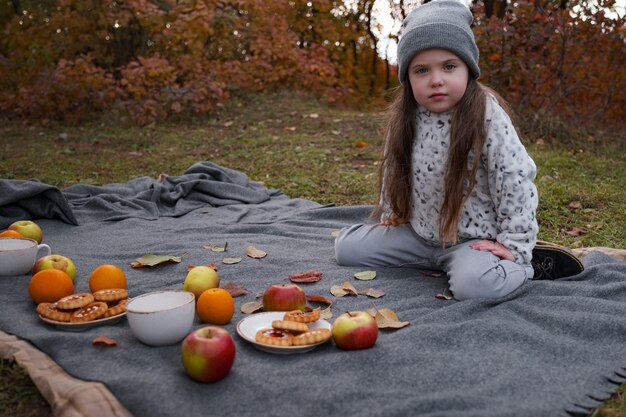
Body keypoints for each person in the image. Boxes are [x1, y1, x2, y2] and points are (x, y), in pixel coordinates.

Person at [334, 0, 583, 300]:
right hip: (420, 236)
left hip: (473, 240)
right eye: (421, 70)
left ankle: (527, 265)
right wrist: (392, 210)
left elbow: (514, 180)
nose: (436, 79)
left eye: (449, 66)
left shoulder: (486, 115)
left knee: (475, 287)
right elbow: (394, 167)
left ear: (468, 68)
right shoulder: (406, 118)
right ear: (407, 77)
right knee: (346, 248)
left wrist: (514, 245)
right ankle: (443, 263)